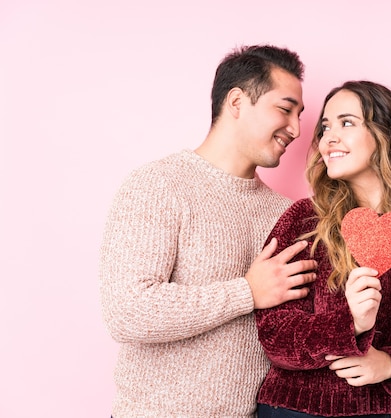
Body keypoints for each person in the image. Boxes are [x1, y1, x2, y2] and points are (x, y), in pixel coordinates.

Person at [99, 44, 318, 418]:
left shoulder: (288, 214)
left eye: (299, 115)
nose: (297, 129)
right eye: (284, 109)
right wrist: (247, 291)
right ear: (236, 102)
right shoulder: (158, 185)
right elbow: (127, 311)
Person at [255, 80, 391, 417]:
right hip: (301, 409)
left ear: (385, 135)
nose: (328, 138)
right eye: (325, 126)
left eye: (346, 122)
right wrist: (350, 324)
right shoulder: (304, 221)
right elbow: (276, 334)